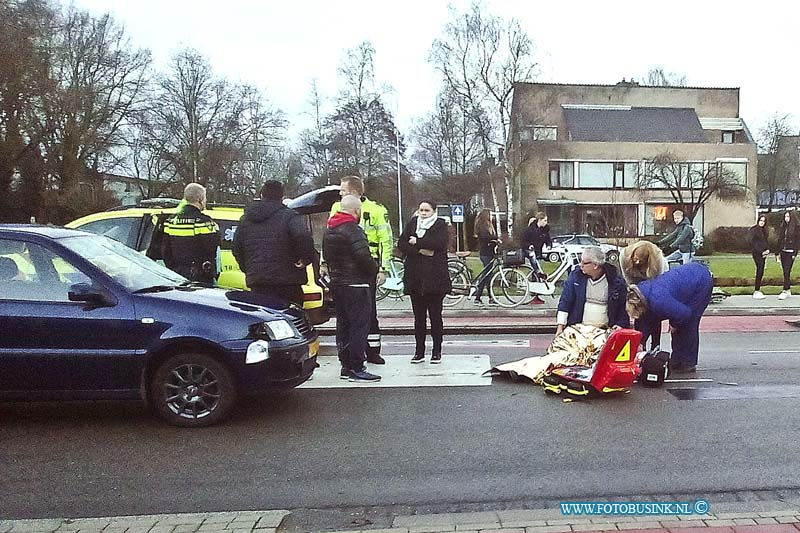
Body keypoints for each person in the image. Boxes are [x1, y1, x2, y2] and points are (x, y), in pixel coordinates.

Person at [329, 176, 392, 365]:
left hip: (367, 264)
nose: (340, 193)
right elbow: (329, 238)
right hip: (345, 267)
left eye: (343, 190)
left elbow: (386, 240)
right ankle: (352, 357)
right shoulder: (336, 208)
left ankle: (372, 352)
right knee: (349, 317)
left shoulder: (376, 210)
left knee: (369, 313)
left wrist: (383, 268)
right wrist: (325, 263)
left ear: (354, 192)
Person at [322, 195, 381, 382]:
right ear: (356, 210)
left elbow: (328, 257)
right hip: (356, 283)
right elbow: (364, 257)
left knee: (343, 325)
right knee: (359, 326)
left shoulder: (329, 230)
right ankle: (357, 366)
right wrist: (375, 269)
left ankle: (345, 365)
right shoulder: (353, 230)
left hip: (338, 283)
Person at [232, 180, 316, 307]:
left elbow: (236, 248)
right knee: (290, 319)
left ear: (262, 195)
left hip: (258, 282)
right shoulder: (290, 216)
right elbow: (303, 236)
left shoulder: (246, 219)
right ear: (281, 197)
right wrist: (305, 259)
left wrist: (249, 268)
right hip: (288, 281)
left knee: (263, 320)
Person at [626, 262, 713, 374]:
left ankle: (688, 362)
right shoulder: (642, 292)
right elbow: (647, 320)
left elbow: (685, 314)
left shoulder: (658, 301)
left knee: (689, 324)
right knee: (678, 324)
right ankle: (677, 358)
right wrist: (640, 341)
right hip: (688, 277)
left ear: (637, 306)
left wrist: (674, 324)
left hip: (701, 281)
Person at [398, 200, 452, 364]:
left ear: (434, 211)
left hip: (435, 279)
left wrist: (418, 242)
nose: (423, 213)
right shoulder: (413, 223)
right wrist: (421, 250)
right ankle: (419, 352)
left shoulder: (440, 225)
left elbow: (439, 244)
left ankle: (436, 352)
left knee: (435, 317)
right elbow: (402, 243)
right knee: (418, 318)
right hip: (415, 278)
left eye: (426, 210)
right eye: (421, 210)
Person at [556, 246, 629, 336]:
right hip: (578, 332)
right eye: (580, 261)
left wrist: (620, 325)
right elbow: (565, 301)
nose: (580, 265)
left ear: (596, 265)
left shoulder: (616, 281)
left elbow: (623, 308)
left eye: (584, 263)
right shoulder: (575, 276)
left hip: (604, 333)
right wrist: (560, 326)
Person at [162, 183, 220, 283]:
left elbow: (165, 251)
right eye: (205, 198)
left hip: (176, 276)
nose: (205, 201)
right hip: (201, 277)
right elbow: (211, 249)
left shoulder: (170, 221)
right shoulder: (203, 222)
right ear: (200, 199)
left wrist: (174, 269)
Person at [619, 240, 669, 349]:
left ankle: (656, 345)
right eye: (635, 259)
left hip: (654, 285)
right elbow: (627, 278)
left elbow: (660, 281)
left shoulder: (659, 260)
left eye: (640, 261)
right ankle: (640, 344)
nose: (637, 263)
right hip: (635, 283)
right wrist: (634, 294)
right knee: (639, 316)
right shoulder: (624, 255)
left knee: (655, 315)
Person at [522, 212, 552, 305]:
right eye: (545, 220)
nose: (546, 222)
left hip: (538, 254)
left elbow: (548, 239)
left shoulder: (544, 230)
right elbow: (523, 241)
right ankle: (534, 295)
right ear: (540, 220)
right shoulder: (530, 230)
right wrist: (529, 245)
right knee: (536, 274)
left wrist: (549, 245)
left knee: (537, 275)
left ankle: (536, 296)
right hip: (530, 253)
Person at [472, 208, 499, 307]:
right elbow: (484, 238)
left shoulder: (489, 225)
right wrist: (494, 240)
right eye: (490, 214)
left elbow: (492, 237)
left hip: (490, 252)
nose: (491, 216)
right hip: (485, 253)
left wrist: (496, 240)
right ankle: (478, 297)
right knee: (486, 275)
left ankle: (490, 297)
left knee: (488, 275)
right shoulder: (482, 227)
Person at [776, 211, 799, 300]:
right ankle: (788, 289)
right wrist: (777, 253)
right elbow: (779, 240)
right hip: (783, 251)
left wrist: (794, 253)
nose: (786, 218)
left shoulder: (796, 228)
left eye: (788, 216)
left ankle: (785, 290)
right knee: (785, 272)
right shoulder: (783, 227)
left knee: (787, 271)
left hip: (790, 252)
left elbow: (798, 241)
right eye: (785, 216)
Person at [749, 214, 770, 300]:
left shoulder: (764, 231)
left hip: (763, 253)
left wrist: (767, 249)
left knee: (761, 270)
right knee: (760, 270)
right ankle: (756, 290)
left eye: (764, 221)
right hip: (757, 253)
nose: (762, 223)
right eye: (761, 221)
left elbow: (765, 242)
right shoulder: (754, 230)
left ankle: (758, 289)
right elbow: (753, 243)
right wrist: (761, 251)